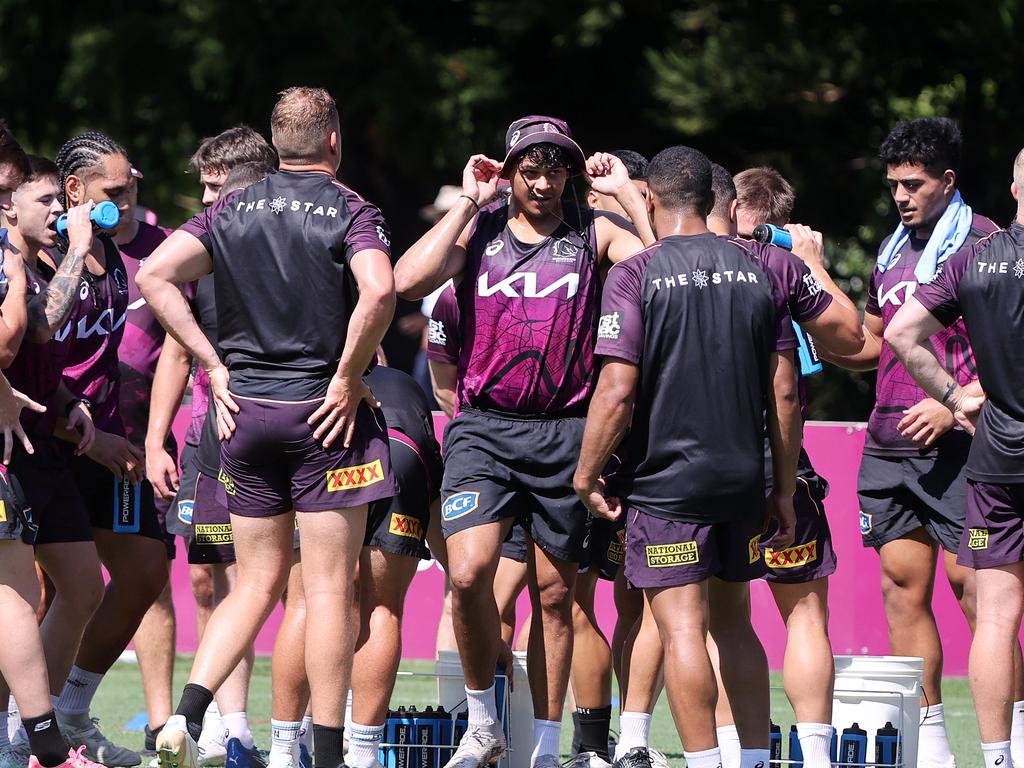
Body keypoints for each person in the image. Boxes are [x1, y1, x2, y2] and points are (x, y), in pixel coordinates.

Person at [138, 86, 397, 768]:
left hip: (242, 415)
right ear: (334, 139)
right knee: (325, 589)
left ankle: (185, 719)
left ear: (277, 143)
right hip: (323, 418)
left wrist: (212, 364)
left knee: (252, 584)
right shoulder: (349, 208)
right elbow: (379, 289)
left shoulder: (229, 208)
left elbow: (156, 274)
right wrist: (348, 375)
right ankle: (331, 755)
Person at [394, 115, 653, 768]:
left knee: (556, 596)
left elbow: (664, 272)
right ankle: (483, 721)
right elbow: (403, 281)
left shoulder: (594, 234)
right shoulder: (477, 234)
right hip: (483, 430)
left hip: (566, 431)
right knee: (471, 574)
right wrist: (463, 206)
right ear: (508, 172)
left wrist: (625, 196)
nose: (542, 183)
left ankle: (543, 746)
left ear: (570, 174)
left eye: (555, 169)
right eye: (529, 170)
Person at [574, 145, 798, 768]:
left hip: (668, 487)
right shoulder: (763, 268)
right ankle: (752, 760)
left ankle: (701, 761)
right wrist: (781, 488)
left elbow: (617, 390)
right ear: (715, 200)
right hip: (741, 481)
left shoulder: (635, 273)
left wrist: (586, 473)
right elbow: (785, 392)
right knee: (736, 624)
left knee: (680, 629)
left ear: (648, 199)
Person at [826, 117, 1018, 768]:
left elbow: (1011, 355)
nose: (902, 196)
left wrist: (960, 400)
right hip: (889, 442)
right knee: (899, 587)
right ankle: (932, 747)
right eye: (893, 185)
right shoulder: (888, 249)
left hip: (964, 440)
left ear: (948, 181)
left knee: (976, 593)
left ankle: (1008, 743)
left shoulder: (989, 242)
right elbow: (881, 342)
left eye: (914, 184)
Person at [143, 127, 279, 768]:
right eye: (202, 185)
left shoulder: (293, 237)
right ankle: (231, 730)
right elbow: (173, 344)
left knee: (287, 583)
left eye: (216, 186)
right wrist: (154, 438)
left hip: (284, 422)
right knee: (206, 579)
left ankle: (293, 732)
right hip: (210, 429)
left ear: (250, 184)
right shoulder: (195, 245)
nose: (204, 198)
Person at [886, 146, 1024, 768]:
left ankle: (997, 758)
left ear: (1017, 187)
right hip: (994, 449)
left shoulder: (973, 257)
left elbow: (898, 333)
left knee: (995, 618)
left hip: (996, 454)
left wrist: (952, 396)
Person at [0, 124, 104, 768]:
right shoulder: (18, 259)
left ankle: (35, 730)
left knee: (74, 586)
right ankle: (39, 739)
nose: (55, 215)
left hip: (36, 443)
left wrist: (64, 400)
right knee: (12, 593)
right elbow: (22, 334)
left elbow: (36, 351)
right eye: (40, 202)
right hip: (13, 448)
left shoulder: (25, 263)